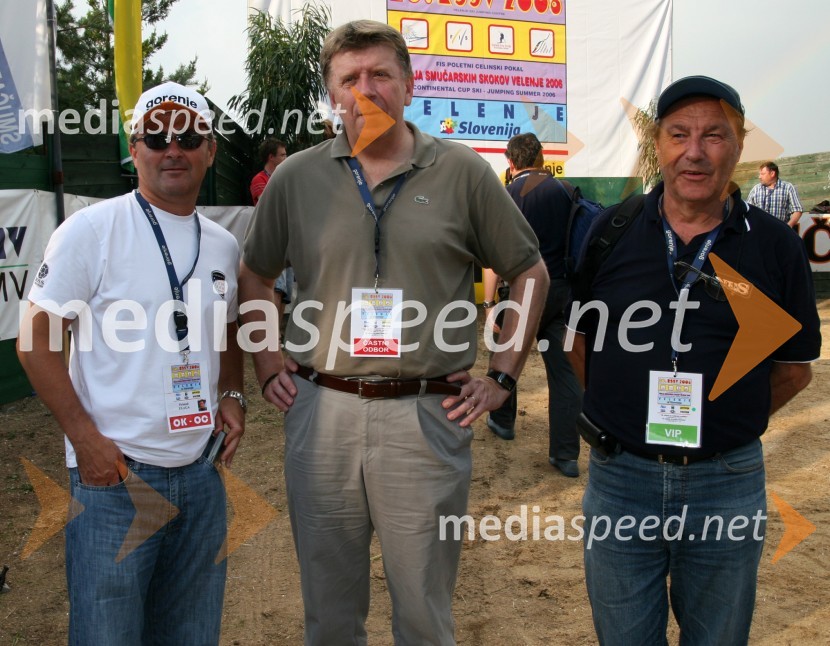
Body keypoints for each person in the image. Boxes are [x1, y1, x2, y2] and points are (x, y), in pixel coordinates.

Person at [238, 20, 548, 645]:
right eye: (349, 79)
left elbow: (529, 270)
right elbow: (254, 272)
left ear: (409, 84)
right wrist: (267, 361)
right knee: (329, 612)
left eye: (380, 74)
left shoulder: (462, 172)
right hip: (321, 414)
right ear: (333, 95)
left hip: (425, 415)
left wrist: (502, 375)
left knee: (424, 611)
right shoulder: (297, 179)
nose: (366, 90)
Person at [567, 76, 821, 644]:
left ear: (739, 145)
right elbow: (579, 344)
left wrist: (726, 418)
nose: (695, 151)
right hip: (620, 479)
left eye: (714, 135)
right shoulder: (611, 230)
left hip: (725, 481)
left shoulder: (775, 246)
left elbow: (794, 369)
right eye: (679, 134)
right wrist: (622, 412)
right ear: (658, 144)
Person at [17, 81, 246, 645]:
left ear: (210, 150)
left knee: (191, 632)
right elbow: (34, 339)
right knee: (108, 635)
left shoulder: (221, 244)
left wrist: (233, 396)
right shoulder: (91, 231)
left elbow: (233, 327)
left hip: (201, 473)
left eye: (189, 137)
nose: (174, 149)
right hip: (115, 478)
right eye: (157, 137)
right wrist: (84, 440)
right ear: (134, 149)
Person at [482, 133, 583, 477]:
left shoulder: (505, 195)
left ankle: (502, 421)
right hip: (563, 293)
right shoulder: (568, 192)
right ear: (541, 157)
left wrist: (488, 304)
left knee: (504, 356)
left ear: (510, 163)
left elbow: (494, 259)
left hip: (522, 291)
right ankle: (566, 453)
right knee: (565, 373)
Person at [250, 138, 293, 322]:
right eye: (282, 155)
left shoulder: (285, 179)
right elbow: (267, 206)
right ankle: (271, 331)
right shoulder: (259, 179)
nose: (286, 158)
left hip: (289, 240)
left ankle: (277, 332)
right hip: (271, 240)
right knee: (276, 286)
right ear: (271, 157)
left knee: (286, 291)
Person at [747, 160, 804, 227]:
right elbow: (748, 211)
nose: (759, 177)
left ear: (772, 174)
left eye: (762, 174)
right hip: (760, 232)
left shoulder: (788, 187)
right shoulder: (756, 189)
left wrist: (787, 227)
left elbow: (797, 210)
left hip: (780, 233)